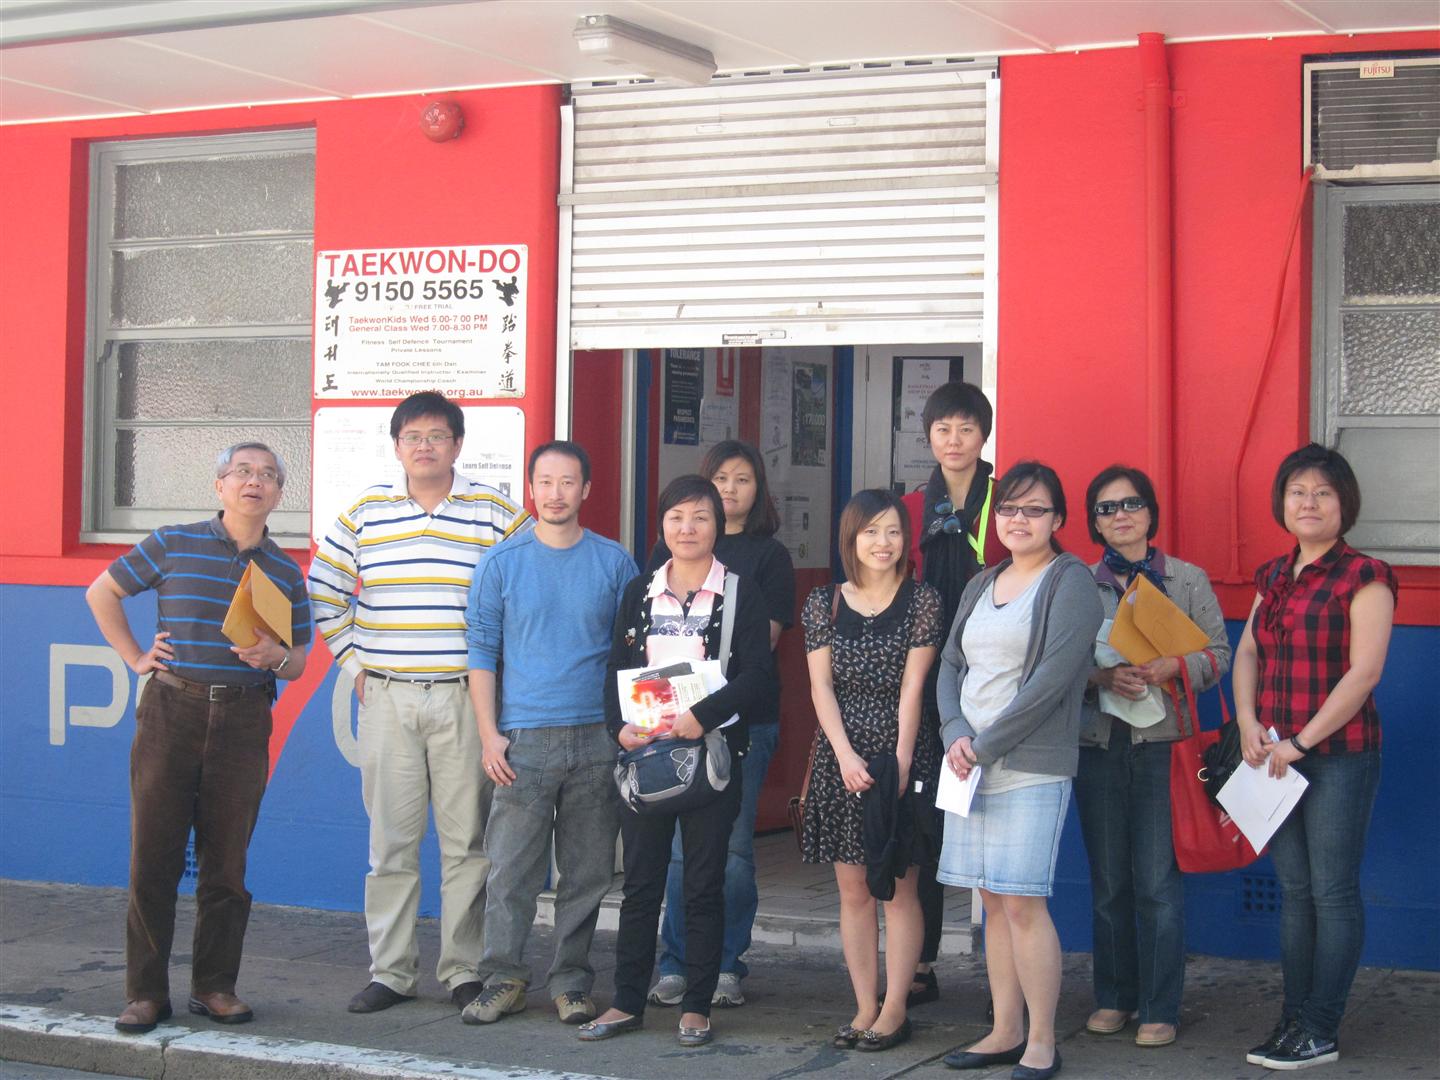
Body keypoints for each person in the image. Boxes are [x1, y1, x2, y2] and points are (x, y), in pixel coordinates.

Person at [308, 391, 531, 1016]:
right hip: (388, 698)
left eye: (437, 436)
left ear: (458, 444)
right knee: (391, 845)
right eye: (413, 436)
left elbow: (528, 589)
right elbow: (323, 589)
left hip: (466, 702)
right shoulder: (366, 512)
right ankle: (392, 972)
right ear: (397, 445)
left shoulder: (495, 512)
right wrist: (353, 663)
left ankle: (464, 969)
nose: (425, 446)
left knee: (467, 845)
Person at [85, 442, 311, 1034]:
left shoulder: (285, 571)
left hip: (244, 718)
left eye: (268, 475)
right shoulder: (173, 543)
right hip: (171, 710)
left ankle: (214, 986)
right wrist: (135, 655)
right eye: (243, 472)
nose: (255, 482)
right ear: (220, 485)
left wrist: (274, 655)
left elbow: (298, 662)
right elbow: (101, 592)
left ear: (280, 494)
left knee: (227, 865)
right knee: (153, 858)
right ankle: (144, 993)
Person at [580, 474, 776, 1047]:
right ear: (662, 525)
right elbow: (615, 667)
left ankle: (696, 1006)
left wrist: (704, 715)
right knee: (641, 885)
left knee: (703, 884)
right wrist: (618, 730)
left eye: (700, 517)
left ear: (717, 526)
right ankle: (626, 1002)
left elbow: (759, 676)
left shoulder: (739, 592)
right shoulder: (639, 591)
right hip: (646, 759)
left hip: (711, 758)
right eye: (676, 517)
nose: (687, 528)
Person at [460, 441, 637, 1027]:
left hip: (596, 738)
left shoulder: (614, 562)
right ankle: (503, 978)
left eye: (567, 482)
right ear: (530, 488)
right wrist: (490, 735)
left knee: (586, 874)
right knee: (510, 870)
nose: (555, 493)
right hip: (523, 741)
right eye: (545, 481)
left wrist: (624, 731)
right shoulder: (501, 563)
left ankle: (571, 982)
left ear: (586, 489)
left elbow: (632, 653)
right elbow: (481, 653)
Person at [936, 461, 1103, 1080]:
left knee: (1023, 902)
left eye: (1035, 509)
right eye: (1008, 508)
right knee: (990, 898)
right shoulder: (983, 582)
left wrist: (984, 744)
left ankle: (1041, 1040)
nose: (1019, 519)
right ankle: (1004, 1030)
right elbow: (950, 664)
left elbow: (1052, 682)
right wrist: (956, 733)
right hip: (968, 764)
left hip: (1029, 766)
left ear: (1057, 519)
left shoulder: (1070, 582)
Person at [1233, 444, 1396, 1072]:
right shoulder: (1273, 575)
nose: (1309, 502)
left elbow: (1365, 672)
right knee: (1295, 892)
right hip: (1273, 757)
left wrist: (1300, 743)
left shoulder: (1365, 576)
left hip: (1337, 758)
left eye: (1323, 492)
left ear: (1344, 503)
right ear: (1282, 502)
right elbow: (1248, 652)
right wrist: (1248, 723)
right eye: (1297, 491)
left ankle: (1321, 1027)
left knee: (1331, 892)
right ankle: (1294, 1017)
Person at [1074, 465, 1230, 1049]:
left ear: (1150, 514)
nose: (1120, 515)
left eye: (1131, 504)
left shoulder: (1186, 580)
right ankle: (1114, 996)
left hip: (1164, 748)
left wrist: (1175, 667)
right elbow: (1055, 667)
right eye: (1107, 508)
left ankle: (1160, 1006)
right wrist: (1100, 677)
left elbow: (1219, 654)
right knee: (1108, 881)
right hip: (1099, 745)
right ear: (1094, 522)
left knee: (1158, 883)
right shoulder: (1076, 584)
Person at [645, 440, 795, 1010]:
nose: (731, 489)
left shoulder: (768, 558)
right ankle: (676, 964)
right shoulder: (666, 553)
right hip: (671, 725)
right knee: (679, 853)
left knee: (731, 852)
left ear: (759, 490)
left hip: (743, 724)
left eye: (743, 479)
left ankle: (727, 964)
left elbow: (760, 646)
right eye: (722, 479)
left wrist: (702, 701)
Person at [800, 488, 942, 1053]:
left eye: (893, 531)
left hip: (901, 754)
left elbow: (913, 687)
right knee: (854, 890)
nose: (883, 543)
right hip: (842, 758)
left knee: (899, 889)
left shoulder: (923, 600)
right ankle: (864, 1005)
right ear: (851, 539)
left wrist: (901, 761)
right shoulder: (824, 602)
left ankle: (896, 1007)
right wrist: (843, 754)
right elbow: (820, 687)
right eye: (870, 532)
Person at [901, 380, 1005, 1007]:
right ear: (929, 436)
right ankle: (921, 962)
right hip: (924, 679)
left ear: (983, 435)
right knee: (927, 824)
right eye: (943, 429)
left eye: (967, 428)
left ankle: (1004, 973)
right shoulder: (911, 508)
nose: (955, 440)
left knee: (994, 823)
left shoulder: (1009, 501)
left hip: (993, 680)